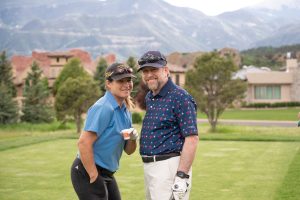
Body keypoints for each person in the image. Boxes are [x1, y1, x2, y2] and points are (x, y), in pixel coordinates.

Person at [71, 63, 139, 200]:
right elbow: (83, 143)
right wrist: (94, 175)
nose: (127, 84)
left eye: (129, 80)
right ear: (108, 84)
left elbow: (129, 150)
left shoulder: (125, 110)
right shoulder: (103, 108)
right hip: (87, 170)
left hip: (107, 173)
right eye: (120, 81)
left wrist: (132, 139)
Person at [137, 50, 199, 200]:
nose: (149, 74)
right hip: (150, 168)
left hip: (169, 168)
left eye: (154, 69)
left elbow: (192, 139)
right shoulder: (150, 96)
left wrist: (181, 176)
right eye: (145, 71)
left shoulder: (180, 97)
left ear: (166, 70)